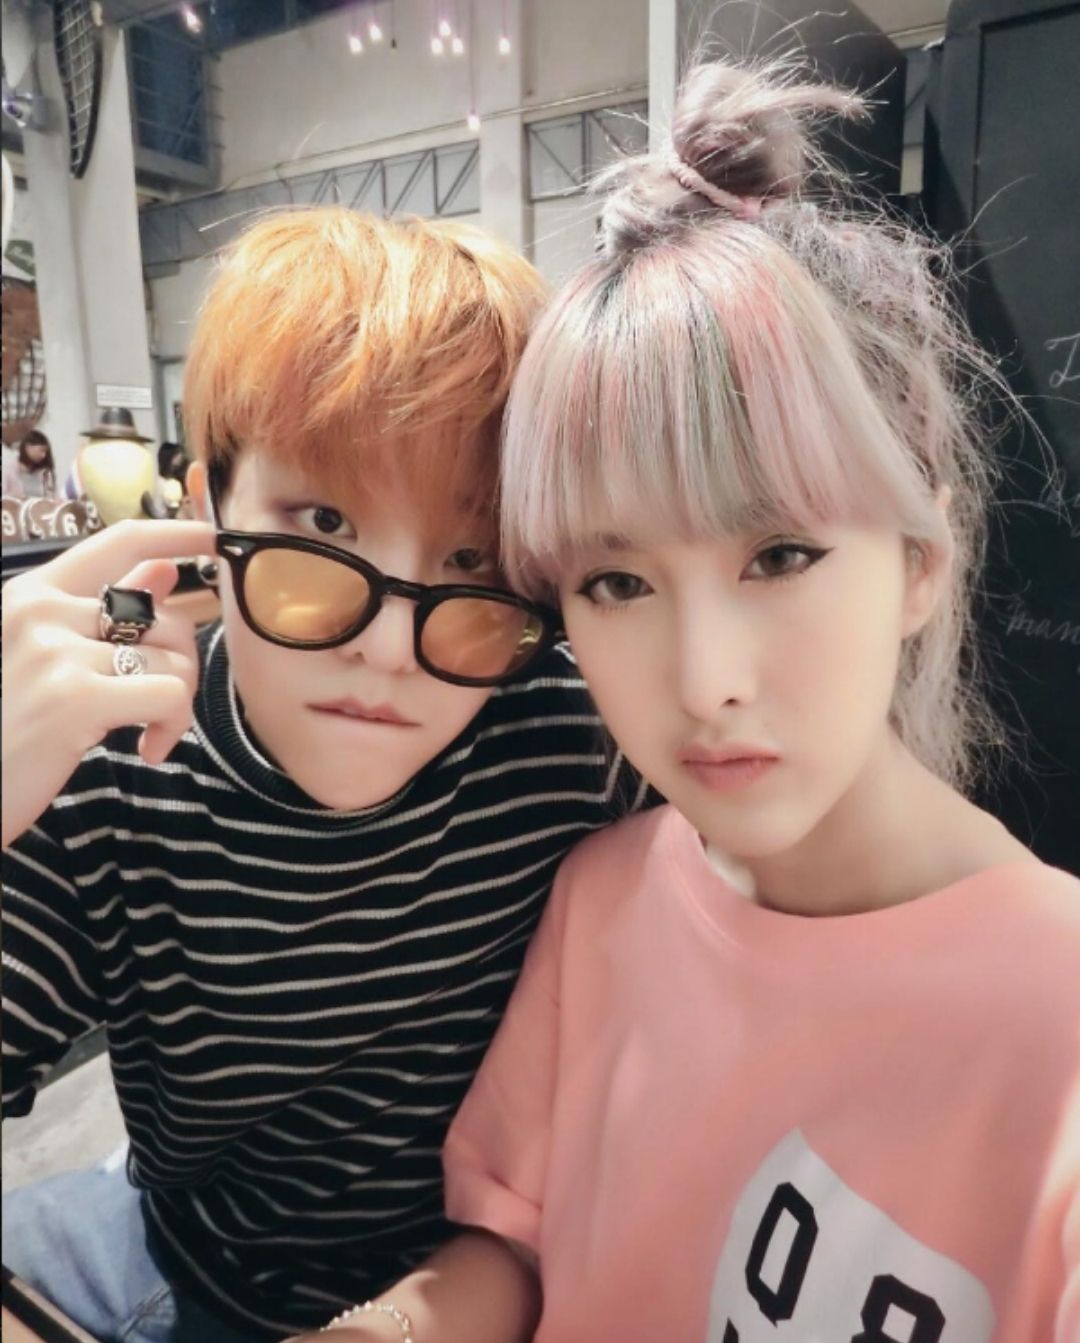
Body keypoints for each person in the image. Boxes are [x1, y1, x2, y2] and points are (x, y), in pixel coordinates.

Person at [291, 58, 1080, 1343]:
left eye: (781, 555)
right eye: (617, 582)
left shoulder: (1058, 1030)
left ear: (920, 560)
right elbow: (520, 1241)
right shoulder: (603, 894)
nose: (706, 680)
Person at [1, 207, 652, 1343]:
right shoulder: (111, 769)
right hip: (191, 1259)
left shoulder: (570, 736)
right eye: (325, 524)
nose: (390, 648)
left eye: (471, 560)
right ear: (207, 512)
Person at [8, 428, 57, 498]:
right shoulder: (11, 470)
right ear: (28, 447)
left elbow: (52, 496)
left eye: (45, 452)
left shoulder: (45, 472)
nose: (43, 455)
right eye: (41, 450)